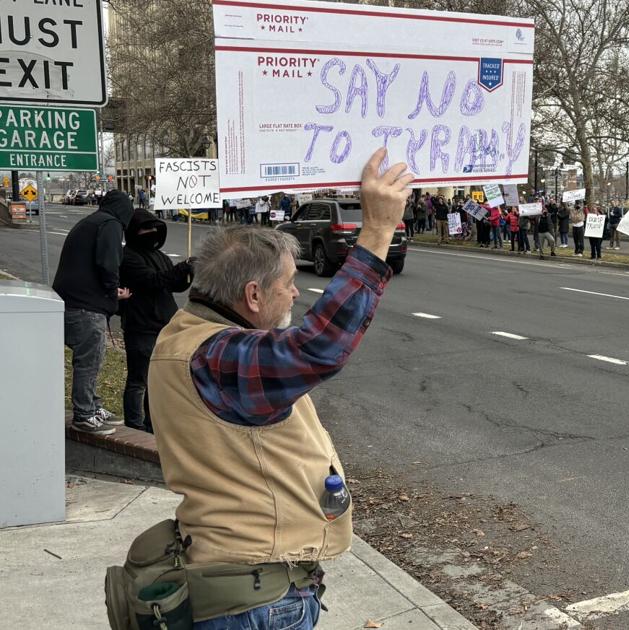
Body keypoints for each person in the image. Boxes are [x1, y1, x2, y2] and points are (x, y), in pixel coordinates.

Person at [142, 148, 413, 630]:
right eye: (288, 284)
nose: (296, 293)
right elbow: (318, 348)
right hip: (256, 597)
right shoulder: (215, 357)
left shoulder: (186, 333)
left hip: (240, 584)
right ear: (252, 295)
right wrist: (377, 233)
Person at [54, 190, 135, 436]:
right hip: (86, 306)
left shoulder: (92, 221)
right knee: (89, 360)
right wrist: (113, 292)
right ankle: (85, 415)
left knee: (91, 358)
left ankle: (93, 405)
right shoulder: (110, 225)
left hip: (72, 300)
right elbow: (108, 262)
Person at [118, 209, 194, 432]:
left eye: (154, 229)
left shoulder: (159, 256)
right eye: (146, 229)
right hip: (141, 326)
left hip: (164, 325)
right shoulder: (129, 256)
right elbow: (152, 280)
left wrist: (186, 275)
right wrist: (181, 268)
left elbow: (171, 284)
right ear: (134, 231)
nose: (151, 233)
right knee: (139, 379)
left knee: (157, 380)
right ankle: (133, 425)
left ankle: (152, 424)